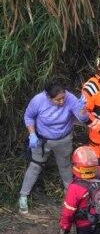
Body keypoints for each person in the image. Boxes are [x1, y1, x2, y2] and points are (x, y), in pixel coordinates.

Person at [19, 77, 88, 214]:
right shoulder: (38, 100)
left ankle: (70, 197)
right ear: (48, 97)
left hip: (63, 139)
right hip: (41, 139)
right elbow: (29, 116)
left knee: (65, 166)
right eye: (58, 100)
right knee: (35, 166)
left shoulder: (69, 98)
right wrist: (32, 134)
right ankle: (23, 195)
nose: (62, 101)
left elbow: (82, 119)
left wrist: (83, 110)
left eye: (63, 98)